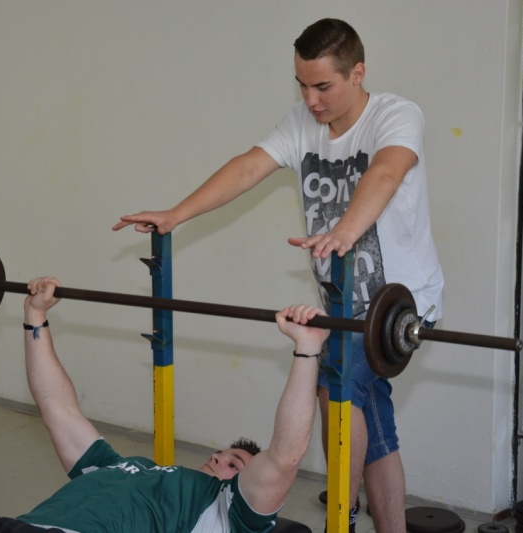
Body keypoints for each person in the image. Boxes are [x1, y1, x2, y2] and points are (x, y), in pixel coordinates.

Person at [112, 18, 444, 533]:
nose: (311, 100)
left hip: (399, 305)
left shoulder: (396, 115)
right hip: (343, 306)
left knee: (334, 387)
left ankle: (341, 520)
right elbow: (248, 167)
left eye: (323, 86)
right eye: (302, 85)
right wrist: (177, 214)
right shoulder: (301, 124)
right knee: (376, 433)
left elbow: (385, 172)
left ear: (357, 73)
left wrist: (344, 231)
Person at [0, 276, 329, 533]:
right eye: (222, 454)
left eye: (234, 464)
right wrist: (35, 315)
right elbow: (57, 408)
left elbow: (285, 457)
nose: (218, 458)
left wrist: (308, 347)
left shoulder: (224, 510)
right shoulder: (115, 466)